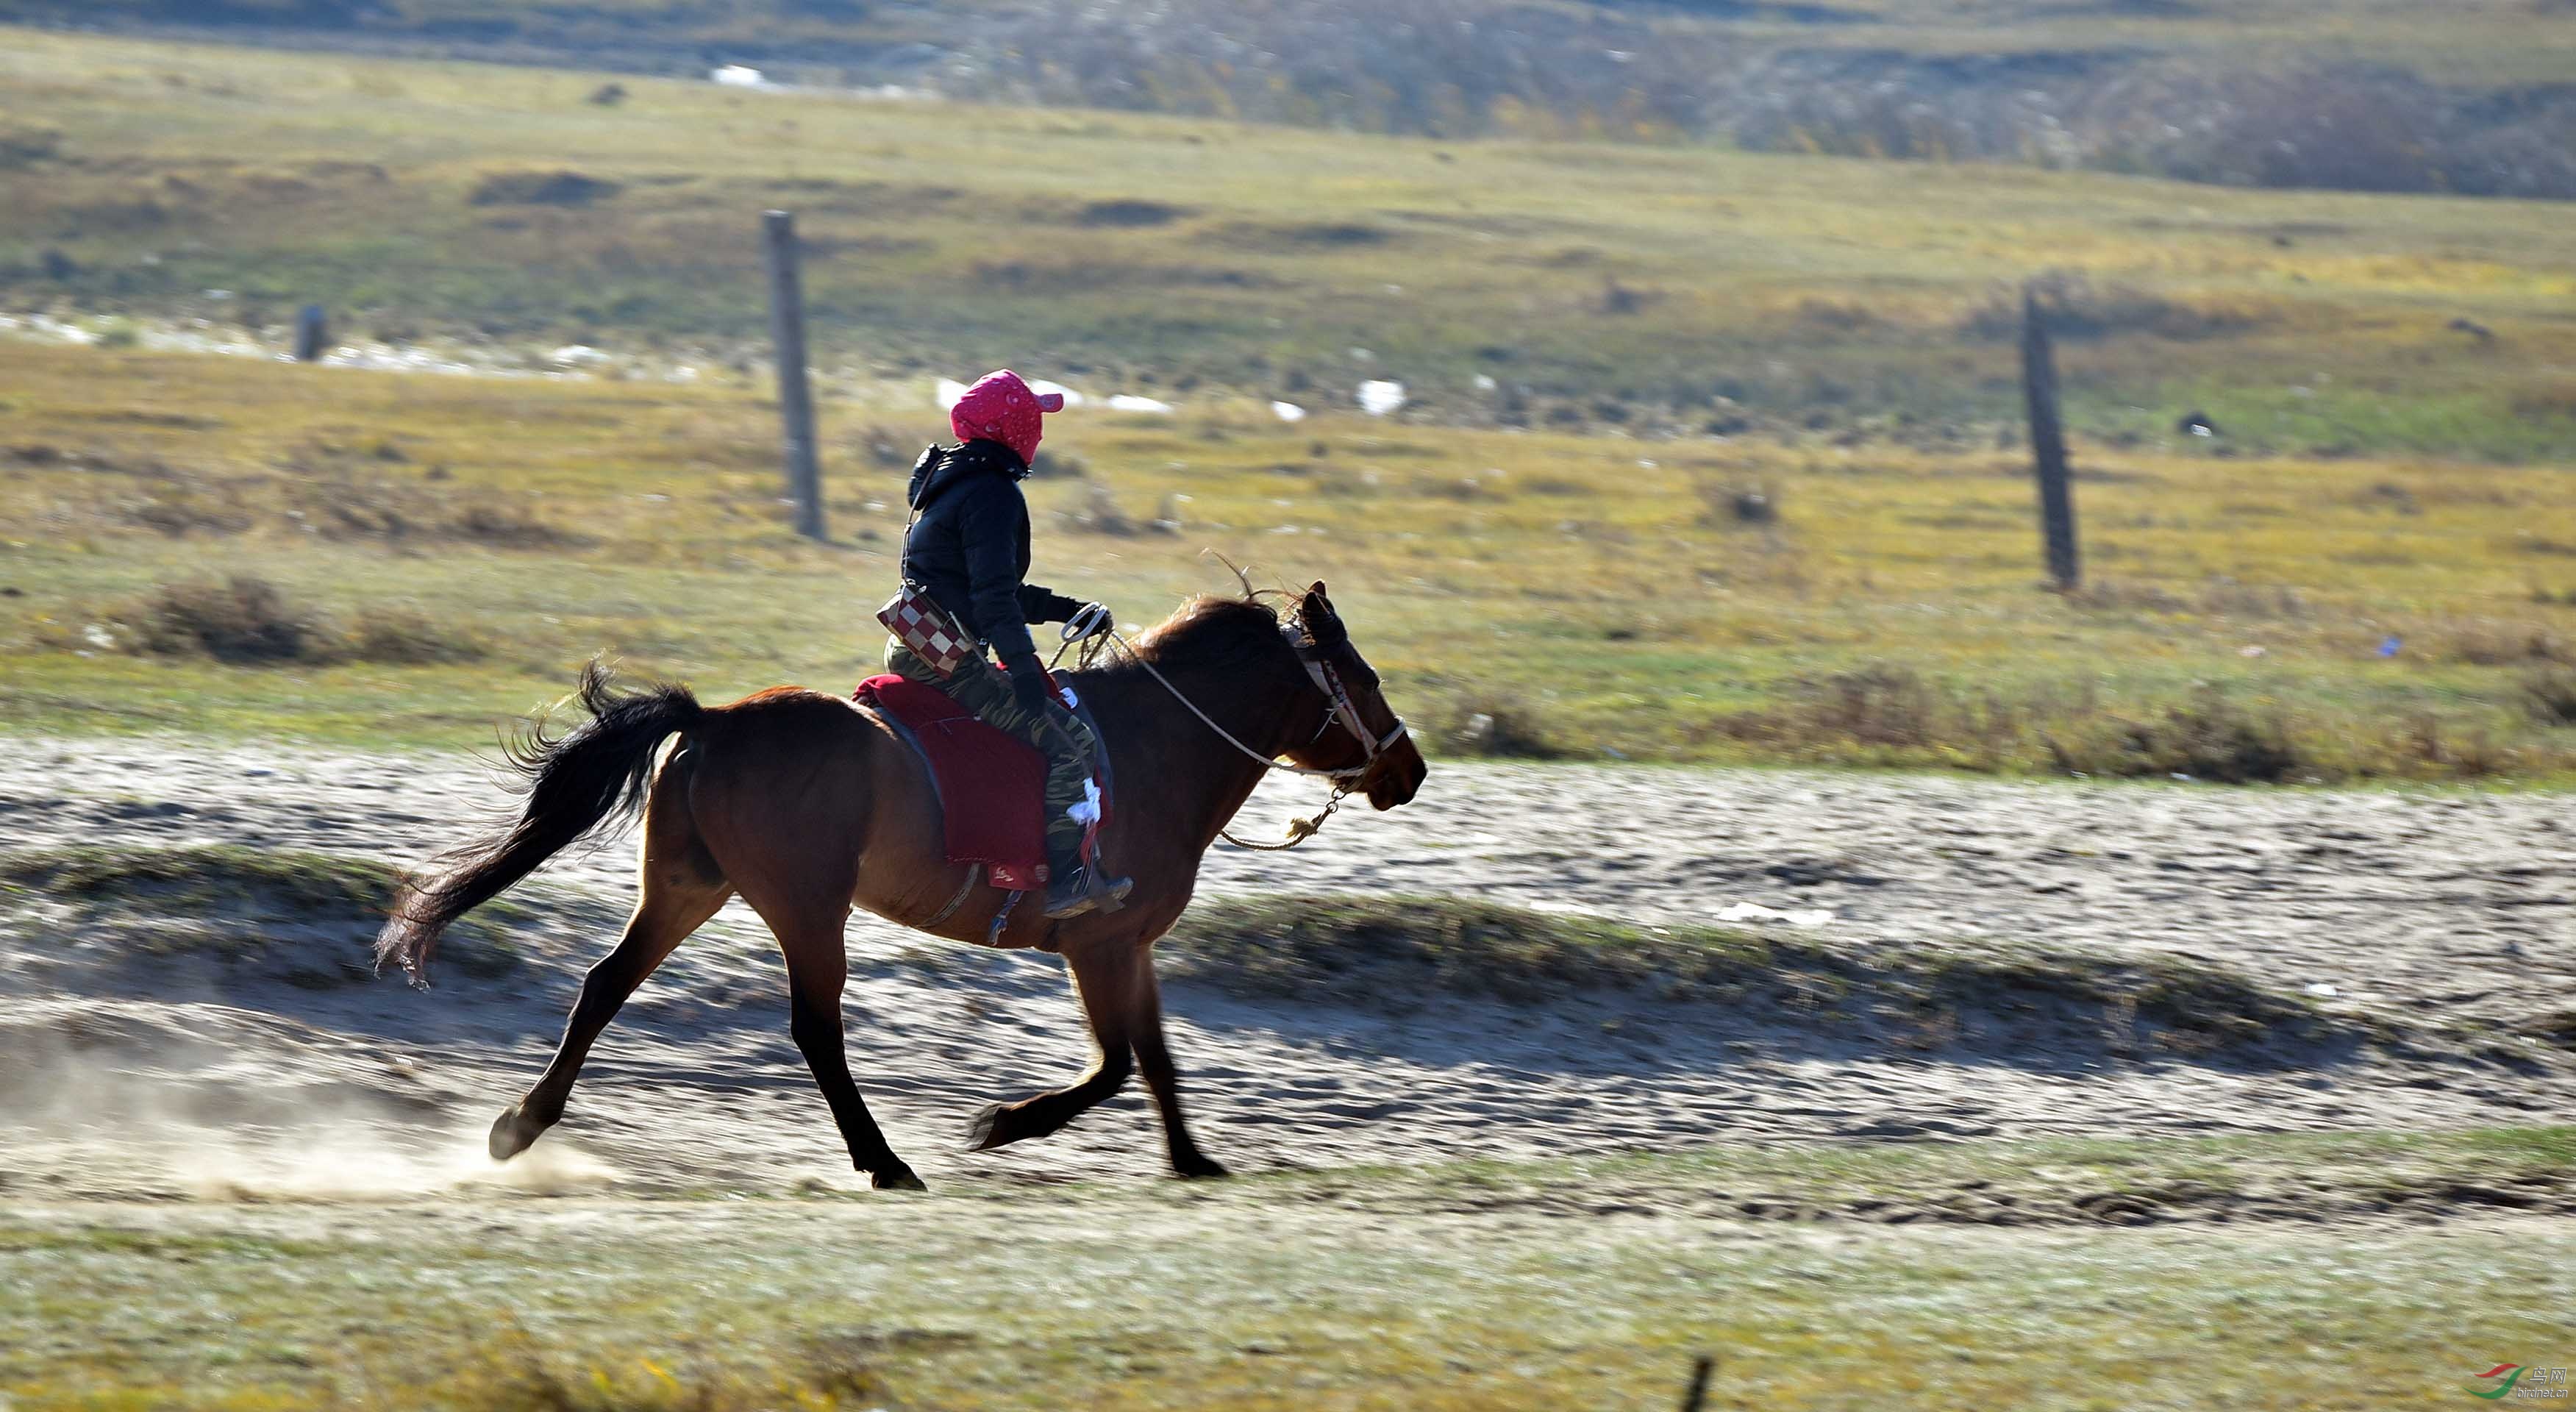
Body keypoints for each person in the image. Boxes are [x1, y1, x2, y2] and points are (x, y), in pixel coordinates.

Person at [882, 369, 1131, 919]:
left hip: (922, 646)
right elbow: (994, 599)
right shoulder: (992, 493)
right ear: (1015, 427)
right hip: (952, 663)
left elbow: (981, 588)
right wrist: (1022, 671)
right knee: (1069, 742)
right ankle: (1070, 879)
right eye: (1034, 420)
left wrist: (1067, 610)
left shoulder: (951, 480)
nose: (1040, 431)